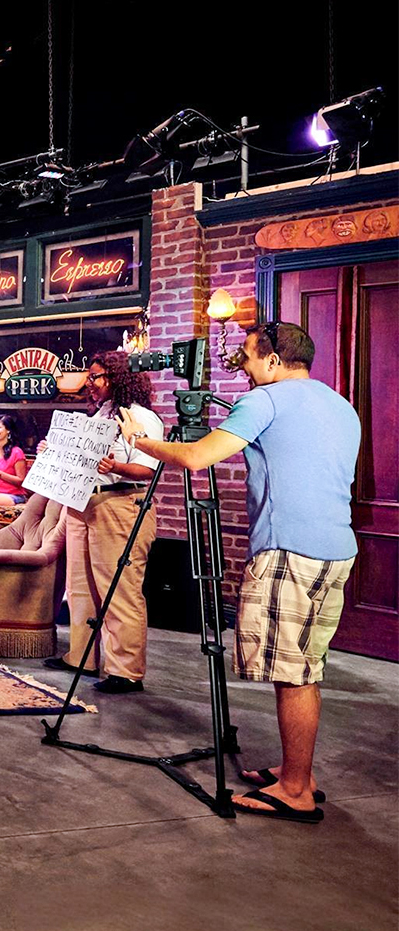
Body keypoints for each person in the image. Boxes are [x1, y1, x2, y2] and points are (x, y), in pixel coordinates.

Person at [116, 322, 359, 823]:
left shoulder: (266, 400)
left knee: (290, 675)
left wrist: (140, 442)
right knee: (305, 667)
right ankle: (300, 773)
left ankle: (294, 791)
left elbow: (196, 457)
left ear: (273, 361)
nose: (243, 369)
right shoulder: (340, 405)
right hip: (336, 549)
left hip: (288, 550)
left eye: (248, 358)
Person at [40, 351, 164, 694]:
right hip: (84, 501)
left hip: (120, 503)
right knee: (80, 587)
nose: (89, 384)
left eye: (96, 377)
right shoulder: (97, 417)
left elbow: (148, 469)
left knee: (119, 588)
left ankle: (126, 670)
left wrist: (115, 468)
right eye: (90, 377)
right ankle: (82, 657)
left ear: (118, 377)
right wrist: (53, 452)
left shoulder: (140, 418)